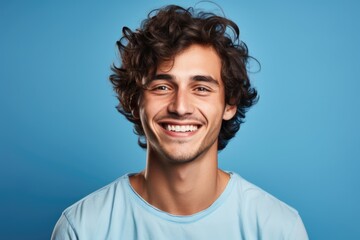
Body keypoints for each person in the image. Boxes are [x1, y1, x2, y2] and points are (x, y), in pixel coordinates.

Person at [51, 5, 308, 240]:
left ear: (229, 104)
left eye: (201, 88)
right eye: (162, 87)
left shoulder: (278, 228)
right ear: (134, 100)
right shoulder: (82, 228)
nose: (180, 107)